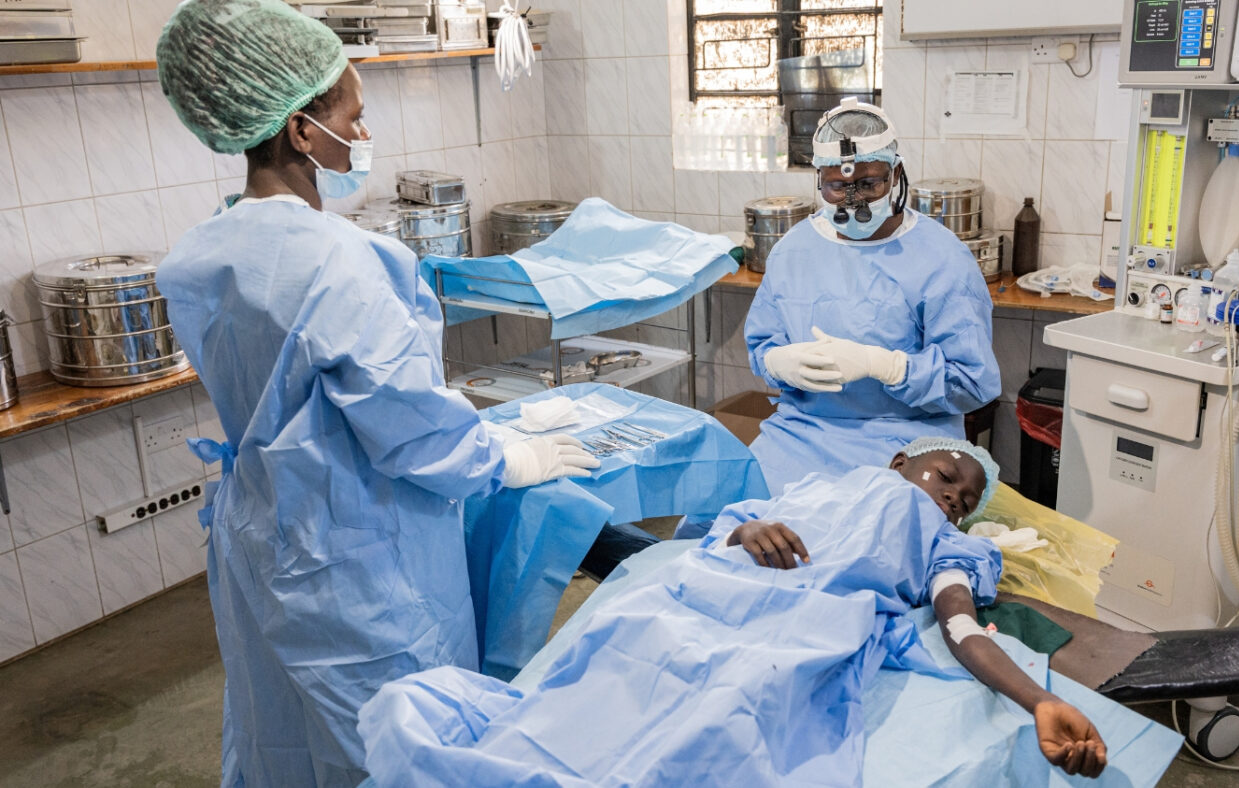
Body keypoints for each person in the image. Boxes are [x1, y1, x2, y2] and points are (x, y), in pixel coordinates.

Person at [153, 2, 598, 785]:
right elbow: (414, 435)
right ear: (299, 131)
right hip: (360, 561)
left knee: (282, 735)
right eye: (352, 120)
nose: (362, 137)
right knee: (400, 744)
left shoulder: (201, 255)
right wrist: (509, 456)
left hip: (263, 537)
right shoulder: (339, 261)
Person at [357, 438, 1109, 785]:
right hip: (709, 594)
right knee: (625, 638)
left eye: (967, 499)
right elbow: (725, 527)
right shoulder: (813, 488)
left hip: (803, 629)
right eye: (947, 475)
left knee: (729, 705)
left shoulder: (947, 543)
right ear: (899, 462)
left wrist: (1038, 700)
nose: (952, 496)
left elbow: (959, 624)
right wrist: (748, 530)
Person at [745, 97, 1001, 492]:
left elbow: (972, 383)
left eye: (868, 183)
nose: (853, 201)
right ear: (819, 180)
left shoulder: (942, 257)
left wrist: (887, 366)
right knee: (723, 526)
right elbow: (763, 345)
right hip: (801, 435)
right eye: (837, 186)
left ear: (896, 173)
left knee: (866, 538)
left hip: (909, 442)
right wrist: (777, 362)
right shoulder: (794, 251)